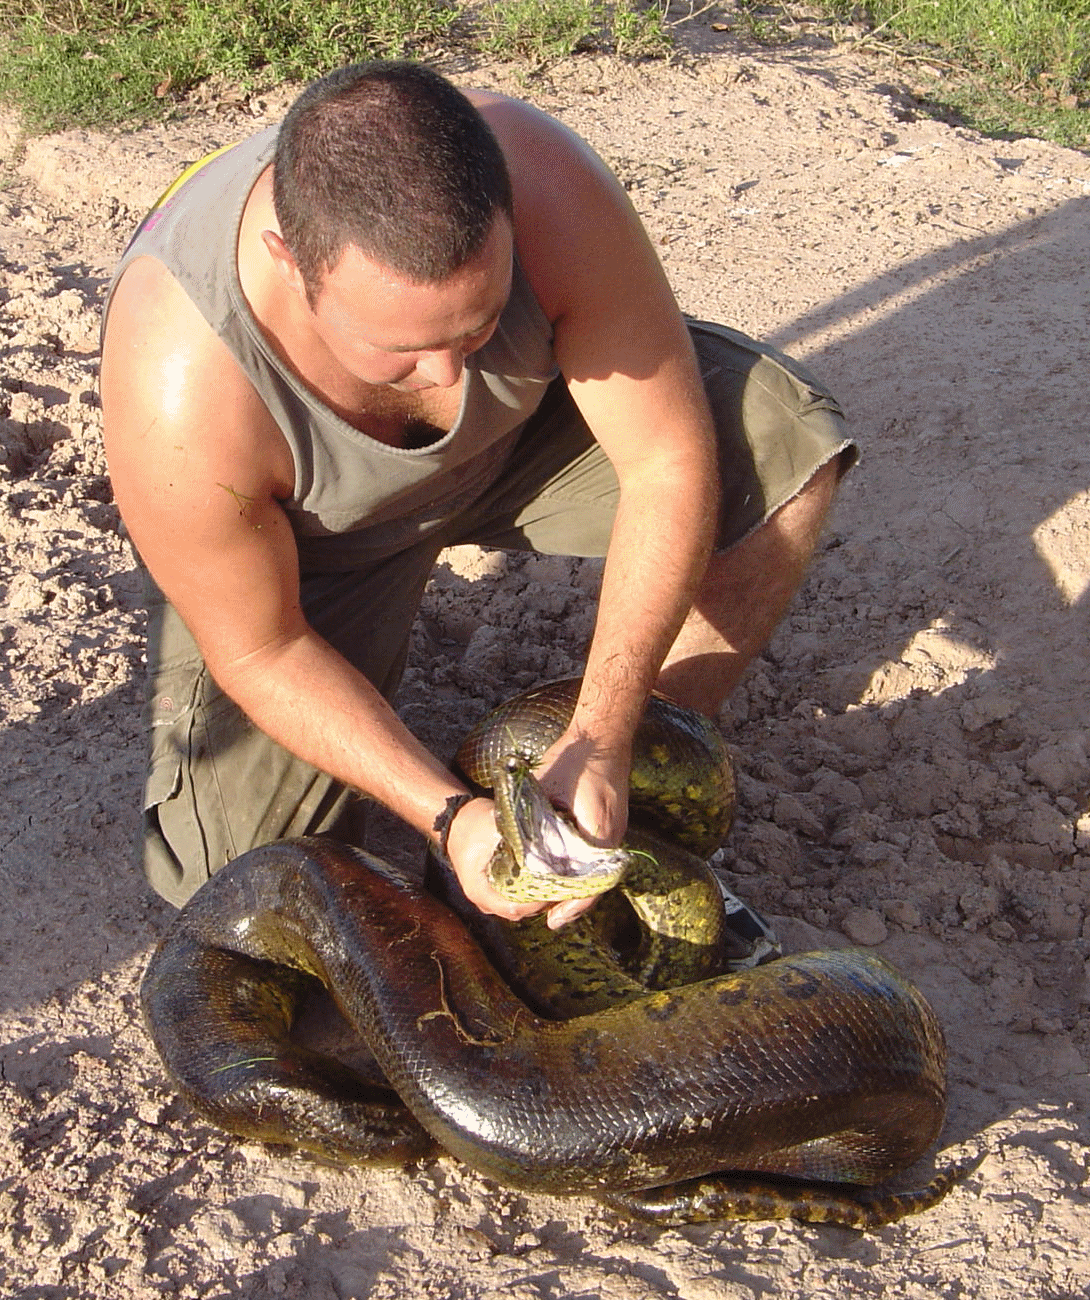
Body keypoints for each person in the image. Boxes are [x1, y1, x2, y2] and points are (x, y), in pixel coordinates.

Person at [100, 60, 854, 929]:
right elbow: (263, 651)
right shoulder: (182, 384)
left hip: (522, 444)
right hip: (322, 542)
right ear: (289, 258)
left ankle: (616, 782)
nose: (450, 373)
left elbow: (665, 466)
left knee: (784, 450)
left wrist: (605, 733)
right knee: (242, 886)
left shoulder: (549, 186)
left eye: (482, 322)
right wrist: (450, 817)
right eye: (400, 349)